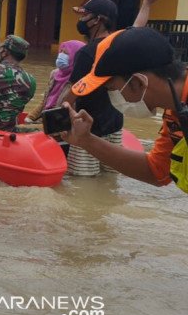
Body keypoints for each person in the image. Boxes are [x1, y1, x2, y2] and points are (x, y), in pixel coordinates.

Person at [63, 27, 188, 193]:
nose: (111, 96)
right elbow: (156, 171)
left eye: (111, 88)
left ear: (137, 82)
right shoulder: (175, 111)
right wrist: (85, 140)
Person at [64, 0, 165, 175]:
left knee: (82, 181)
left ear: (98, 20)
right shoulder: (121, 43)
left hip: (87, 126)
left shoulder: (86, 53)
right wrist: (146, 3)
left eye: (85, 16)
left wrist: (53, 116)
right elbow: (137, 28)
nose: (81, 20)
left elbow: (74, 90)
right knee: (110, 179)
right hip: (115, 124)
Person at [25, 40, 85, 123]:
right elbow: (45, 102)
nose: (61, 55)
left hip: (60, 124)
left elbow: (71, 111)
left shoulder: (80, 81)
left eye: (66, 53)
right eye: (61, 52)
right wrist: (30, 117)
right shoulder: (54, 74)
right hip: (46, 118)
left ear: (75, 57)